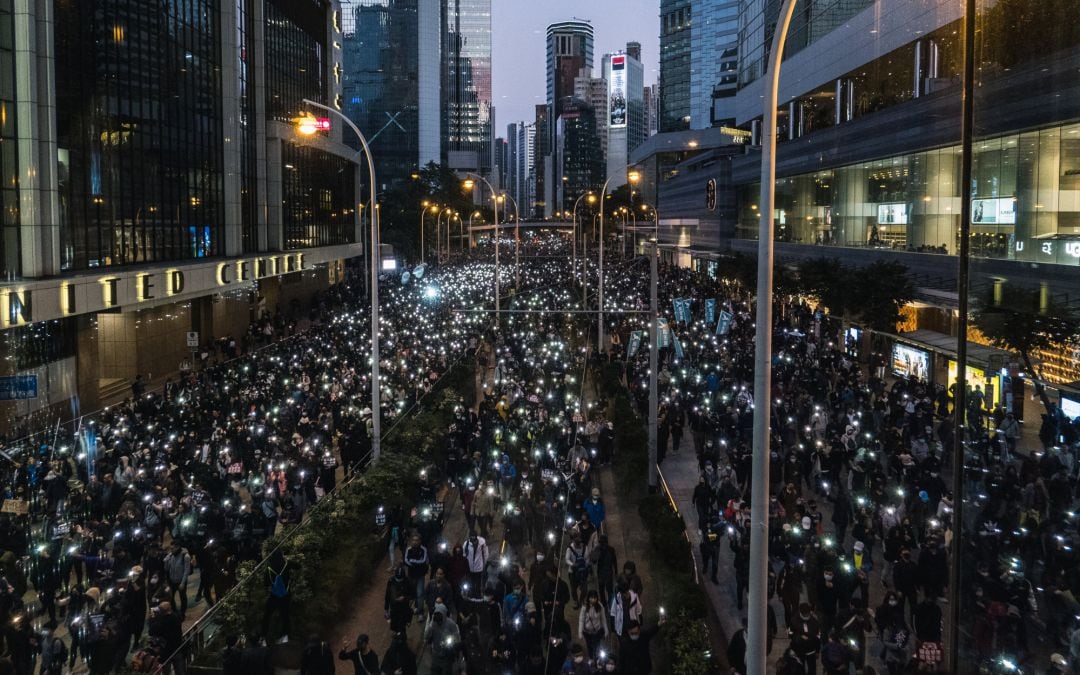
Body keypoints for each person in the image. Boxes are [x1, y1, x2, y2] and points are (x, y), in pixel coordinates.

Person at [423, 604, 461, 675]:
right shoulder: (433, 624)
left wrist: (450, 641)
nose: (439, 622)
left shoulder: (451, 624)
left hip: (446, 656)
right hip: (436, 656)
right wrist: (431, 626)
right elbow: (426, 636)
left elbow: (457, 637)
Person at [578, 590, 609, 660]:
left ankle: (597, 659)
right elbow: (581, 620)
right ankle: (591, 658)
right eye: (591, 598)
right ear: (588, 598)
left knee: (596, 645)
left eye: (595, 598)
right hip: (587, 632)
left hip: (597, 631)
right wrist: (580, 632)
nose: (593, 600)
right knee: (589, 646)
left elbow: (603, 619)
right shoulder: (584, 607)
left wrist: (606, 630)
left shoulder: (600, 606)